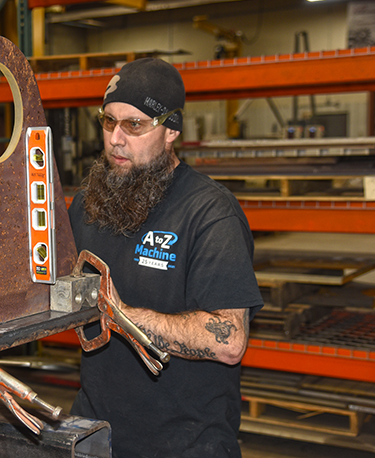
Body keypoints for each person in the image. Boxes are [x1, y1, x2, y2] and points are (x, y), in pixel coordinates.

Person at [68, 58, 263, 458]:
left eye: (134, 125)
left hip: (186, 442)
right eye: (108, 121)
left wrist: (121, 315)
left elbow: (229, 340)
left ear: (171, 129)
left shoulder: (209, 212)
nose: (115, 139)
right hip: (96, 433)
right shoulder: (89, 203)